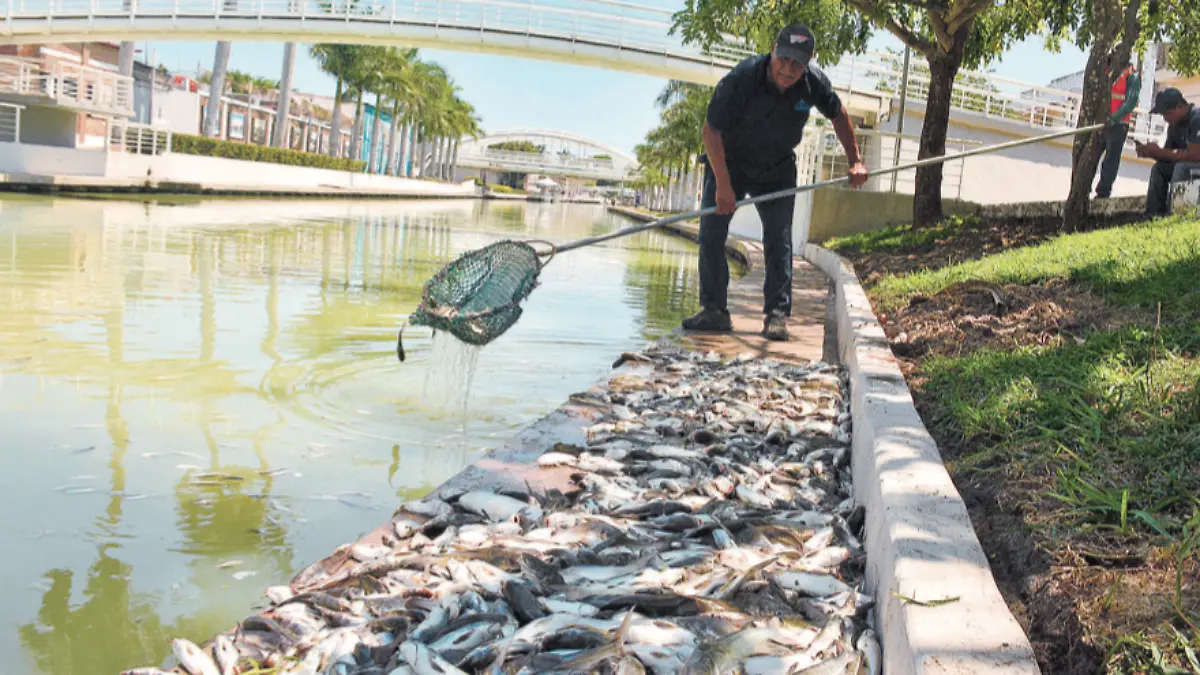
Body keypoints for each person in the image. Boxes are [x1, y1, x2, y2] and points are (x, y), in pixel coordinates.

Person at [681, 23, 868, 342]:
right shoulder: (743, 78)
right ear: (772, 50)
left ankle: (777, 315)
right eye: (783, 59)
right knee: (711, 235)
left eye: (797, 63)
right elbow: (711, 131)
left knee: (778, 239)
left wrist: (855, 160)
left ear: (807, 62)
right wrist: (724, 186)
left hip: (777, 167)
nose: (787, 69)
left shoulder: (813, 84)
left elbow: (838, 115)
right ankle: (714, 311)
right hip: (731, 162)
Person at [1138, 87, 1200, 217]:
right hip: (1189, 165)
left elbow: (1195, 155)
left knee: (1180, 168)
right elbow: (1168, 155)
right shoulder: (1174, 126)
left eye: (1168, 113)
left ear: (1180, 106)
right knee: (1159, 168)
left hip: (1195, 163)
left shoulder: (1197, 117)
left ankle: (1174, 212)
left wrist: (1160, 152)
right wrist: (1151, 152)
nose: (1165, 118)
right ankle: (1153, 214)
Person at [1094, 47, 1140, 199]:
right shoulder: (1107, 72)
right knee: (1091, 155)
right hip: (1101, 122)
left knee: (1111, 159)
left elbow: (1130, 102)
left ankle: (1103, 192)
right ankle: (1082, 188)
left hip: (1118, 125)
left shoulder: (1132, 76)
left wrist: (1114, 118)